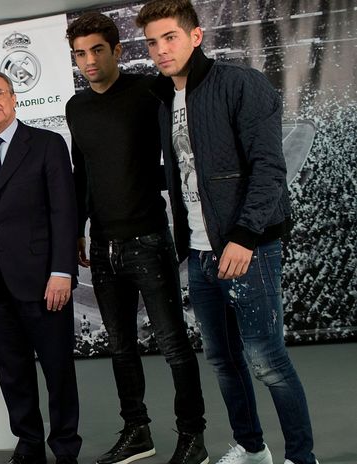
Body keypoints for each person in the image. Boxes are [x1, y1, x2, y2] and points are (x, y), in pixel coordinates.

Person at [136, 1, 318, 464]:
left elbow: (268, 168)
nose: (160, 49)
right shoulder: (164, 100)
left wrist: (243, 236)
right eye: (152, 42)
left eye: (170, 37)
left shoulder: (239, 84)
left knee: (268, 362)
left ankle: (301, 456)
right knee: (224, 362)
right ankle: (253, 448)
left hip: (247, 247)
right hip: (199, 254)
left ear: (195, 36)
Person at [64, 12, 207, 464]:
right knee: (120, 346)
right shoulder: (76, 106)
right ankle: (137, 432)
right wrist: (78, 230)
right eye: (80, 54)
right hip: (103, 246)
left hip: (148, 238)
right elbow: (82, 172)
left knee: (173, 344)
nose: (89, 61)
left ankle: (192, 437)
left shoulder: (150, 90)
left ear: (117, 50)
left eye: (97, 50)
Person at [0, 70, 81, 464]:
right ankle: (29, 443)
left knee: (57, 370)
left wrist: (62, 272)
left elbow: (65, 211)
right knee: (12, 373)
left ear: (15, 99)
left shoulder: (47, 145)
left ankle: (65, 447)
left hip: (44, 281)